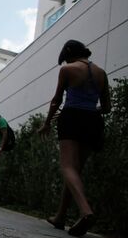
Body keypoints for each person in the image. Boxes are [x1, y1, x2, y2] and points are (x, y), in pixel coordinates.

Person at [37, 39, 110, 236]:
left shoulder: (68, 70)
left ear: (69, 53)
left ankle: (86, 212)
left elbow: (56, 100)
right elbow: (107, 107)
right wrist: (89, 108)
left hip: (71, 118)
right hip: (93, 120)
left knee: (67, 166)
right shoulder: (101, 73)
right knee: (75, 171)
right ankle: (60, 217)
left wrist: (47, 123)